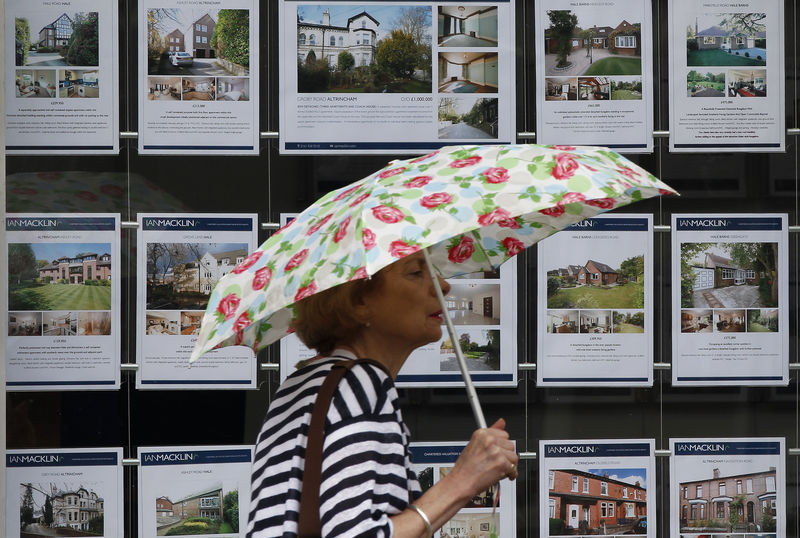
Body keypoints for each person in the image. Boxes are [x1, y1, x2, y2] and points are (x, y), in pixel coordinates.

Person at [247, 250, 519, 537]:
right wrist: (464, 480)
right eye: (416, 273)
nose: (443, 284)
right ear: (358, 301)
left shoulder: (298, 384)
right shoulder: (360, 383)